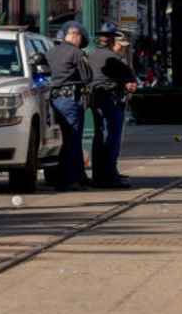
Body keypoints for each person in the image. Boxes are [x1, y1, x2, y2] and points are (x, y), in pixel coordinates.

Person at [88, 23, 138, 188]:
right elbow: (128, 74)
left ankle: (98, 176)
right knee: (112, 139)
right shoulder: (113, 58)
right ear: (111, 41)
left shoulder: (93, 55)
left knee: (99, 138)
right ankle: (111, 177)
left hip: (96, 100)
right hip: (111, 101)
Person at [48, 22, 95, 191]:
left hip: (54, 100)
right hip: (70, 100)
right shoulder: (77, 53)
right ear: (78, 38)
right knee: (72, 140)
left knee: (64, 139)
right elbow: (87, 78)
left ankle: (79, 176)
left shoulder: (51, 51)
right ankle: (68, 179)